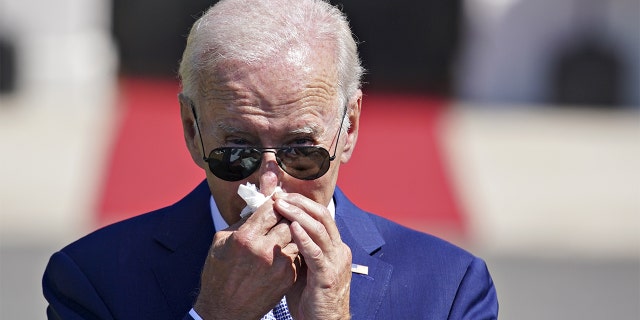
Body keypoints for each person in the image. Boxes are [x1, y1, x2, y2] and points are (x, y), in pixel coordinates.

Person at [42, 0, 499, 319]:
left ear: (349, 128)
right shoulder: (95, 278)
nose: (267, 186)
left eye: (300, 152)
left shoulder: (449, 290)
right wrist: (212, 316)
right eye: (236, 153)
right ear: (191, 129)